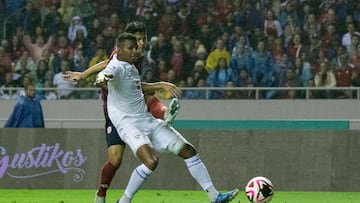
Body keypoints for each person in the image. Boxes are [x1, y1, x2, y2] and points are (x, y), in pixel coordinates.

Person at [95, 32, 239, 203]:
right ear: (119, 50)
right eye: (130, 48)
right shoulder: (116, 66)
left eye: (136, 47)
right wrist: (102, 77)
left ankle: (215, 196)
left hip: (146, 119)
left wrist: (161, 85)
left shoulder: (131, 67)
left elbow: (136, 87)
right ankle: (124, 200)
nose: (135, 51)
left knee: (189, 151)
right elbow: (104, 75)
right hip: (129, 124)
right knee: (151, 161)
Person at [62, 21, 181, 203]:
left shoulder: (137, 57)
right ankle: (101, 194)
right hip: (115, 112)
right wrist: (85, 75)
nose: (142, 43)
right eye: (138, 40)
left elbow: (111, 67)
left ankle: (164, 115)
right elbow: (107, 65)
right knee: (116, 160)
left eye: (144, 39)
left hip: (132, 109)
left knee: (145, 96)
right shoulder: (121, 55)